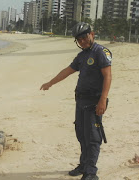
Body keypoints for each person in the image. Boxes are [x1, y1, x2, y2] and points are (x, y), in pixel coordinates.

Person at [40, 22, 112, 180]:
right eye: (79, 39)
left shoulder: (101, 52)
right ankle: (83, 165)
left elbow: (108, 76)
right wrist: (50, 83)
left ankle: (91, 172)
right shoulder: (82, 55)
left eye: (84, 37)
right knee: (82, 135)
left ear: (91, 34)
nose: (82, 41)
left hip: (94, 102)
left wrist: (103, 100)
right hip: (81, 101)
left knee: (93, 137)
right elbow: (67, 71)